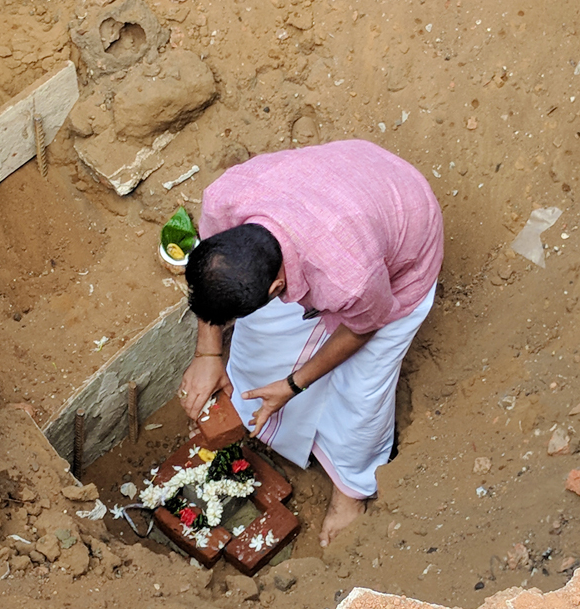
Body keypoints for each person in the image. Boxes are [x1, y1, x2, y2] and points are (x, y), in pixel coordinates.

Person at [179, 139, 443, 546]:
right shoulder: (225, 201)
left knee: (363, 389)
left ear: (278, 286)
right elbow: (213, 277)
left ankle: (351, 490)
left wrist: (292, 385)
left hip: (401, 246)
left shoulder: (349, 276)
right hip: (343, 185)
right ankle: (259, 426)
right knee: (261, 333)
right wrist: (207, 351)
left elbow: (362, 328)